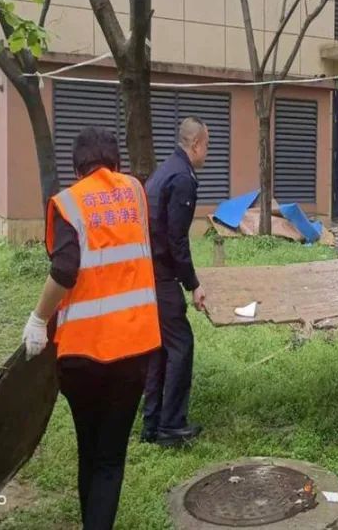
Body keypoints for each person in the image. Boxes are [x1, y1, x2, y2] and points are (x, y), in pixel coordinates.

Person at [21, 127, 160, 530]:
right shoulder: (135, 192)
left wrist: (37, 320)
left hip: (80, 358)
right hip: (133, 351)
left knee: (89, 448)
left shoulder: (69, 203)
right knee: (110, 459)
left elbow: (64, 270)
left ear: (76, 168)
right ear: (116, 162)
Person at [142, 117, 209, 447]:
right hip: (162, 275)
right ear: (195, 144)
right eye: (206, 146)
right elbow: (176, 239)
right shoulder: (182, 178)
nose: (207, 154)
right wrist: (193, 283)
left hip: (148, 272)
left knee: (159, 350)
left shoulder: (164, 169)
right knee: (181, 346)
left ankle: (152, 424)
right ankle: (171, 426)